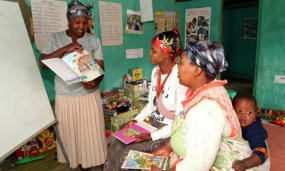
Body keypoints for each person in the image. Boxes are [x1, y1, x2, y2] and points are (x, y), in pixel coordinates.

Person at [150, 41, 270, 171]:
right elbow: (184, 126)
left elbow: (196, 167)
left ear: (196, 70)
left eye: (181, 62)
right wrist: (168, 147)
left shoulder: (205, 111)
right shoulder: (212, 90)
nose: (177, 66)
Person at [103, 29, 187, 171]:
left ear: (166, 54)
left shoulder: (180, 77)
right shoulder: (155, 72)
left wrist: (150, 136)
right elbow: (151, 106)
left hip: (166, 132)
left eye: (154, 50)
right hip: (150, 124)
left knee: (126, 156)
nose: (150, 53)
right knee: (116, 144)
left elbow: (178, 122)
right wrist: (136, 120)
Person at [38, 0, 107, 170]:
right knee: (71, 136)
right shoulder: (56, 38)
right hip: (65, 97)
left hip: (88, 97)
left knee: (90, 137)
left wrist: (93, 83)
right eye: (77, 22)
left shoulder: (94, 40)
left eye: (85, 22)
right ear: (68, 21)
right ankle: (76, 165)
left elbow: (100, 70)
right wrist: (66, 48)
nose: (81, 27)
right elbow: (43, 63)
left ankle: (88, 166)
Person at [232, 92, 270, 171]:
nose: (243, 115)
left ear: (256, 114)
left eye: (249, 112)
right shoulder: (233, 122)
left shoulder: (255, 132)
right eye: (239, 111)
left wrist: (244, 164)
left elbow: (262, 153)